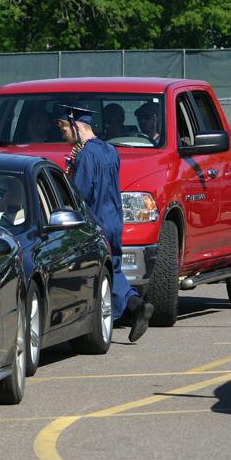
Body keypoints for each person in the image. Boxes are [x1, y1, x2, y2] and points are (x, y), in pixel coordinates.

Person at [55, 105, 153, 343]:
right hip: (114, 219)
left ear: (77, 127)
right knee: (115, 268)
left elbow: (81, 193)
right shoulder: (110, 150)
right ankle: (134, 305)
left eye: (65, 128)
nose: (63, 134)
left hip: (96, 220)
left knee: (102, 273)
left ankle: (126, 309)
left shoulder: (86, 155)